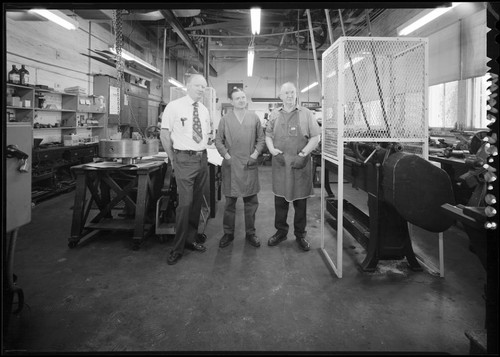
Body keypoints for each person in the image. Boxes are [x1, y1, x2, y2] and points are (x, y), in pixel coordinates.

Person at [160, 74, 210, 265]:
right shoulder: (174, 106)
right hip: (184, 158)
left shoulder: (204, 110)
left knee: (197, 203)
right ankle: (177, 247)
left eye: (204, 87)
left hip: (202, 158)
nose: (201, 89)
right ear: (187, 86)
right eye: (197, 85)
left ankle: (190, 240)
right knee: (185, 203)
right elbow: (164, 134)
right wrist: (173, 158)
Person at [265, 82, 321, 251]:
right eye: (286, 93)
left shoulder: (306, 114)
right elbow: (267, 135)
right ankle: (281, 232)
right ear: (280, 96)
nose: (289, 96)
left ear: (296, 95)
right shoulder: (274, 115)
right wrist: (273, 151)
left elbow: (315, 137)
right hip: (281, 165)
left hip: (300, 166)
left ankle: (300, 235)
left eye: (292, 92)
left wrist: (303, 154)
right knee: (280, 202)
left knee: (300, 204)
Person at [215, 88, 266, 248]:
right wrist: (227, 156)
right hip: (231, 165)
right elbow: (218, 141)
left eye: (243, 97)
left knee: (251, 203)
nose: (241, 100)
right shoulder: (225, 119)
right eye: (238, 98)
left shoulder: (254, 118)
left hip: (249, 164)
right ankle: (228, 233)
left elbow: (261, 139)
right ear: (231, 101)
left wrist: (255, 155)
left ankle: (251, 233)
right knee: (229, 203)